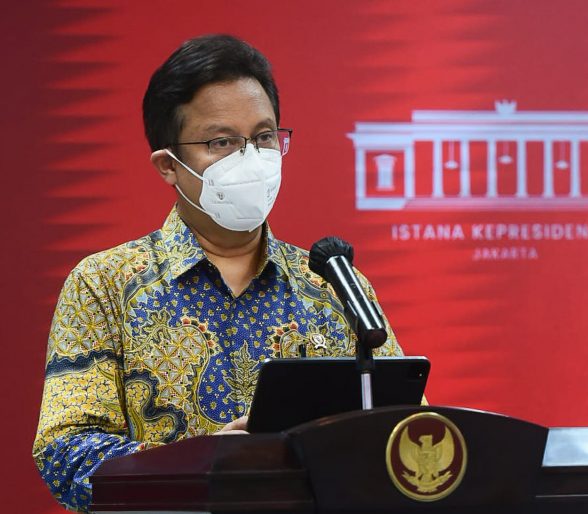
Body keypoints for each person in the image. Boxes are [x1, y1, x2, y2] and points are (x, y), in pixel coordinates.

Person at [32, 34, 403, 513]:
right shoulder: (103, 283)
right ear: (168, 165)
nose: (251, 159)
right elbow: (66, 453)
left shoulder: (332, 284)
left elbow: (402, 429)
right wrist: (202, 464)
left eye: (264, 136)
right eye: (221, 142)